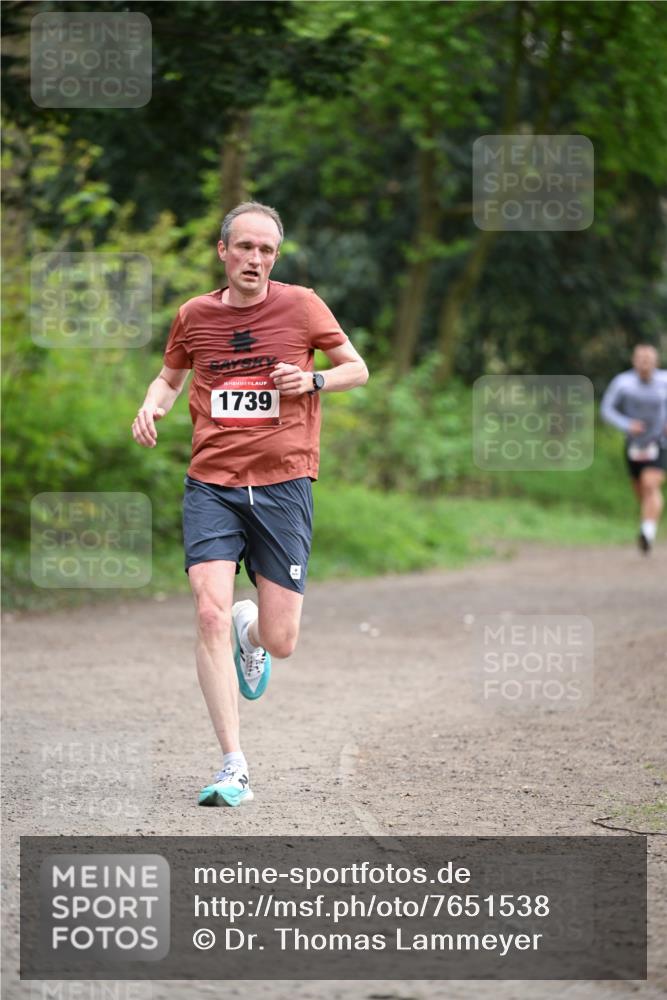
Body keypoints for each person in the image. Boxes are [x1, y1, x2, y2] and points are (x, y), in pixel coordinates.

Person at [132, 202, 368, 806]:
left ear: (275, 258)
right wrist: (153, 403)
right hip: (212, 483)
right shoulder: (194, 315)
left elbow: (356, 369)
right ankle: (233, 765)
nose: (255, 260)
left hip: (285, 483)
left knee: (282, 638)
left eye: (266, 251)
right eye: (244, 248)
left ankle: (253, 629)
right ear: (223, 252)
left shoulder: (303, 305)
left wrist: (312, 381)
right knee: (207, 612)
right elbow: (170, 376)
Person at [600, 344, 667, 553]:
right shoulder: (623, 383)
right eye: (641, 358)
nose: (645, 362)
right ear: (634, 361)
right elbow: (607, 409)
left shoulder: (665, 381)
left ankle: (647, 532)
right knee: (640, 491)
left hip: (660, 442)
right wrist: (627, 425)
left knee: (650, 484)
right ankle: (646, 524)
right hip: (634, 444)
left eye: (649, 359)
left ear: (656, 361)